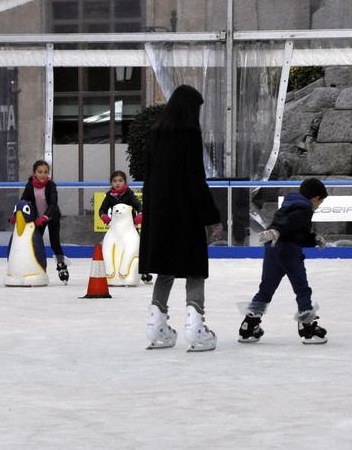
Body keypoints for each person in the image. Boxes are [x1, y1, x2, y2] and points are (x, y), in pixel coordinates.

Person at [139, 85, 223, 352]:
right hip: (186, 215)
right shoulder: (189, 135)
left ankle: (156, 325)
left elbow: (149, 180)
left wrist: (151, 218)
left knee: (166, 269)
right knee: (194, 270)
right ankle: (196, 327)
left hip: (160, 215)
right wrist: (212, 218)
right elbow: (196, 179)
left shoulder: (155, 135)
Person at [238, 178, 329, 345]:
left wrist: (313, 239)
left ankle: (248, 327)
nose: (319, 205)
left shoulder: (290, 204)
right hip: (288, 251)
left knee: (265, 289)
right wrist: (278, 231)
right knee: (302, 289)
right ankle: (307, 329)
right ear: (315, 197)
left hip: (273, 249)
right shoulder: (304, 208)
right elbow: (289, 223)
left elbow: (294, 230)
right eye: (320, 201)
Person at [19, 160, 69, 283]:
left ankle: (61, 265)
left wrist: (45, 217)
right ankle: (35, 265)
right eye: (40, 172)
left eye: (46, 172)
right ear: (34, 172)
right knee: (35, 243)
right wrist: (17, 213)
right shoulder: (30, 185)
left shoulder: (51, 185)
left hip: (51, 218)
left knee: (54, 243)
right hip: (37, 220)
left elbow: (53, 203)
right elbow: (23, 201)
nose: (43, 175)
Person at [97, 170, 151, 283]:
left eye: (120, 181)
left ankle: (144, 270)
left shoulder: (129, 194)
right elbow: (102, 209)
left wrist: (140, 215)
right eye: (115, 181)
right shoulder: (109, 196)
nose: (117, 183)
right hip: (116, 228)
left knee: (137, 247)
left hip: (130, 227)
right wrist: (103, 216)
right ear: (111, 183)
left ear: (125, 182)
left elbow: (138, 206)